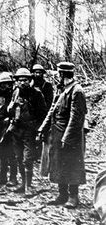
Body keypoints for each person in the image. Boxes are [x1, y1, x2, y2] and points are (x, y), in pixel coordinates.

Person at [37, 62, 87, 208]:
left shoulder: (77, 91)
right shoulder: (61, 90)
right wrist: (42, 128)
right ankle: (62, 194)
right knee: (58, 163)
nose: (57, 77)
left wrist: (67, 137)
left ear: (63, 75)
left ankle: (73, 196)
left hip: (71, 136)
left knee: (71, 165)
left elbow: (76, 118)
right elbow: (51, 111)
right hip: (57, 133)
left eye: (59, 74)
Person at [8, 68, 47, 196]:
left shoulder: (36, 94)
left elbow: (43, 114)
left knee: (27, 158)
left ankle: (28, 186)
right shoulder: (15, 92)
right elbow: (10, 109)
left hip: (29, 130)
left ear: (30, 81)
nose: (22, 83)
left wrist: (38, 130)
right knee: (18, 157)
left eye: (25, 80)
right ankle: (23, 183)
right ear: (17, 82)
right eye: (20, 81)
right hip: (16, 129)